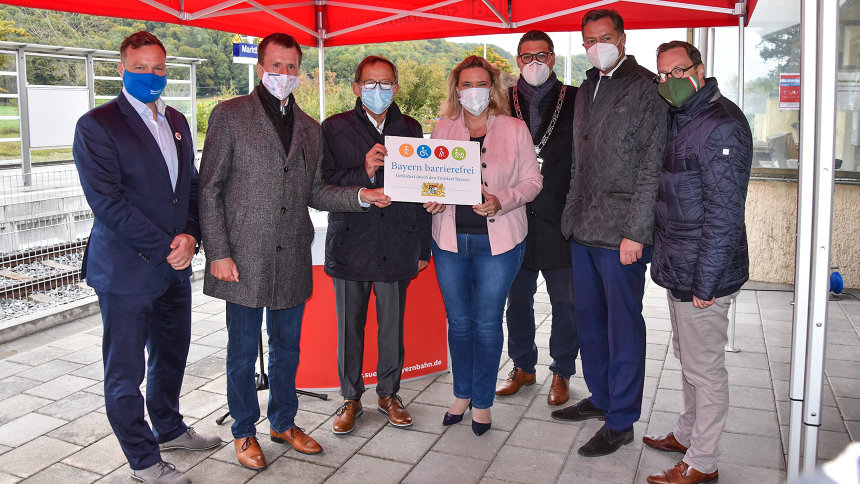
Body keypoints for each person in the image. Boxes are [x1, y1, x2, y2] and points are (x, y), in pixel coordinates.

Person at [198, 33, 389, 471]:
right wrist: (219, 252)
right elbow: (209, 189)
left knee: (287, 348)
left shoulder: (308, 127)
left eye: (290, 67)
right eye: (275, 66)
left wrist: (361, 196)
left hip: (291, 256)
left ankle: (283, 422)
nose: (283, 75)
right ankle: (244, 430)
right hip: (240, 257)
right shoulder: (229, 115)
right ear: (260, 67)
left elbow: (316, 191)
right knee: (243, 351)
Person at [73, 31, 220, 484]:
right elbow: (109, 203)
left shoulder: (175, 119)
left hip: (173, 268)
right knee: (125, 371)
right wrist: (168, 246)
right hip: (126, 271)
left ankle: (170, 428)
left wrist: (192, 235)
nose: (151, 76)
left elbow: (190, 187)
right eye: (140, 68)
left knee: (171, 355)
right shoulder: (97, 124)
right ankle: (143, 460)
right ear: (121, 69)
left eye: (158, 68)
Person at [554, 9, 668, 457]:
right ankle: (600, 397)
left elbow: (651, 168)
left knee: (623, 328)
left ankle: (621, 419)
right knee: (590, 324)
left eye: (604, 37)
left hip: (622, 234)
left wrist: (637, 232)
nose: (596, 45)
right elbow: (579, 163)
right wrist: (569, 215)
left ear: (622, 38)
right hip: (583, 229)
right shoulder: (586, 88)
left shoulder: (646, 90)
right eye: (588, 39)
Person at [643, 41, 752, 484]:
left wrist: (705, 284)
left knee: (704, 369)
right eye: (662, 76)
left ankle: (702, 462)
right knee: (688, 357)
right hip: (680, 264)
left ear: (700, 70)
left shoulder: (721, 124)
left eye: (678, 71)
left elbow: (725, 214)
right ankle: (686, 434)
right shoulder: (684, 117)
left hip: (704, 273)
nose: (668, 82)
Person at [425, 55, 542, 436]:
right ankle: (462, 393)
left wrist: (501, 199)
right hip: (449, 240)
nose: (473, 91)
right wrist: (433, 197)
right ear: (456, 90)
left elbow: (533, 181)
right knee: (458, 322)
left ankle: (484, 402)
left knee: (487, 322)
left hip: (501, 241)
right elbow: (432, 180)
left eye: (480, 84)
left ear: (492, 88)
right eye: (465, 84)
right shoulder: (441, 128)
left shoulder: (514, 128)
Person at [321, 55, 431, 435]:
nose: (379, 90)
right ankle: (351, 398)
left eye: (386, 83)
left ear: (396, 88)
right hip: (351, 245)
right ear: (356, 87)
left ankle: (389, 394)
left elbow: (422, 188)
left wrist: (422, 249)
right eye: (371, 83)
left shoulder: (411, 127)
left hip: (396, 243)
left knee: (391, 327)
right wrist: (364, 172)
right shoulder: (333, 129)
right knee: (350, 328)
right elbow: (323, 185)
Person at [495, 30, 579, 406]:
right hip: (514, 215)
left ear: (553, 59)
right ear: (517, 61)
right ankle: (523, 365)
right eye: (526, 57)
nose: (534, 64)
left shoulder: (575, 99)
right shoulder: (501, 103)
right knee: (518, 299)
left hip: (561, 216)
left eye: (541, 56)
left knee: (566, 301)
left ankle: (561, 370)